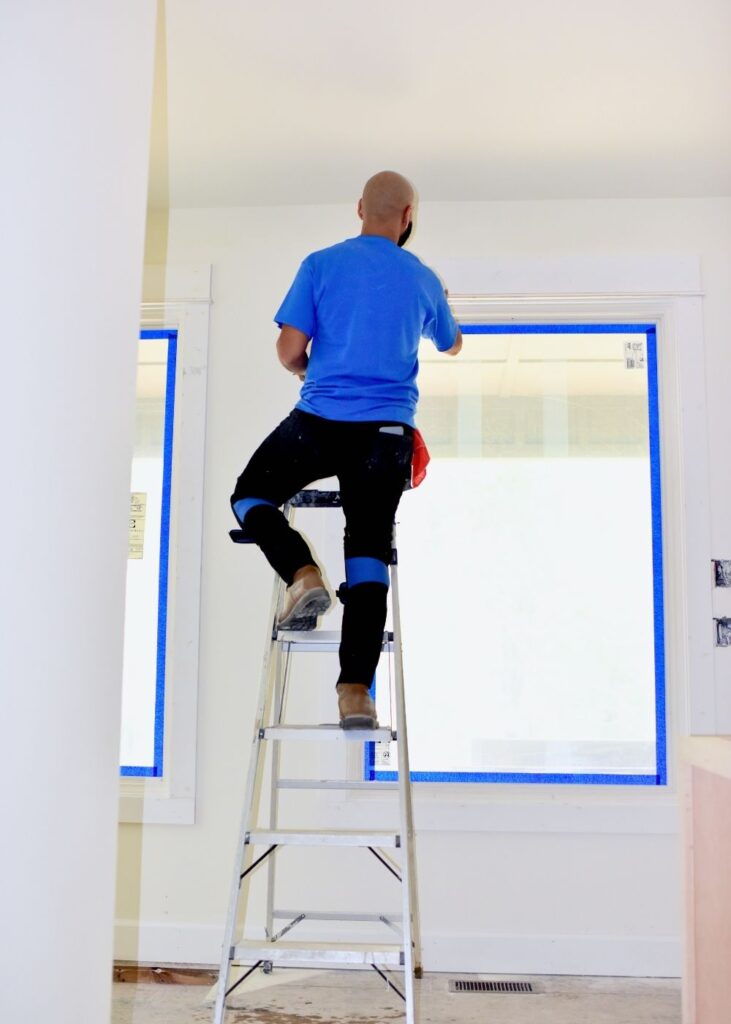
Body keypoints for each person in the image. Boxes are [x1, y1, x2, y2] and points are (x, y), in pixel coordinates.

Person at [231, 170, 462, 729]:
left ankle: (302, 574)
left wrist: (313, 370)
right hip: (386, 435)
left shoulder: (321, 264)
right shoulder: (422, 277)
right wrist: (439, 304)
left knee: (251, 496)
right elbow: (452, 343)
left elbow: (289, 351)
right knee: (368, 551)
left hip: (320, 420)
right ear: (408, 216)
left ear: (360, 207)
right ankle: (355, 692)